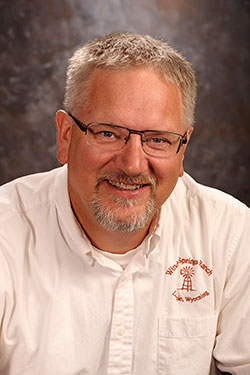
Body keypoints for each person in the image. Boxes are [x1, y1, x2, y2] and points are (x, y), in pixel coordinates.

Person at [0, 32, 249, 375]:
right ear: (65, 135)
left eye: (158, 140)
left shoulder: (232, 234)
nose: (132, 164)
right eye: (107, 133)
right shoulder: (6, 235)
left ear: (182, 149)